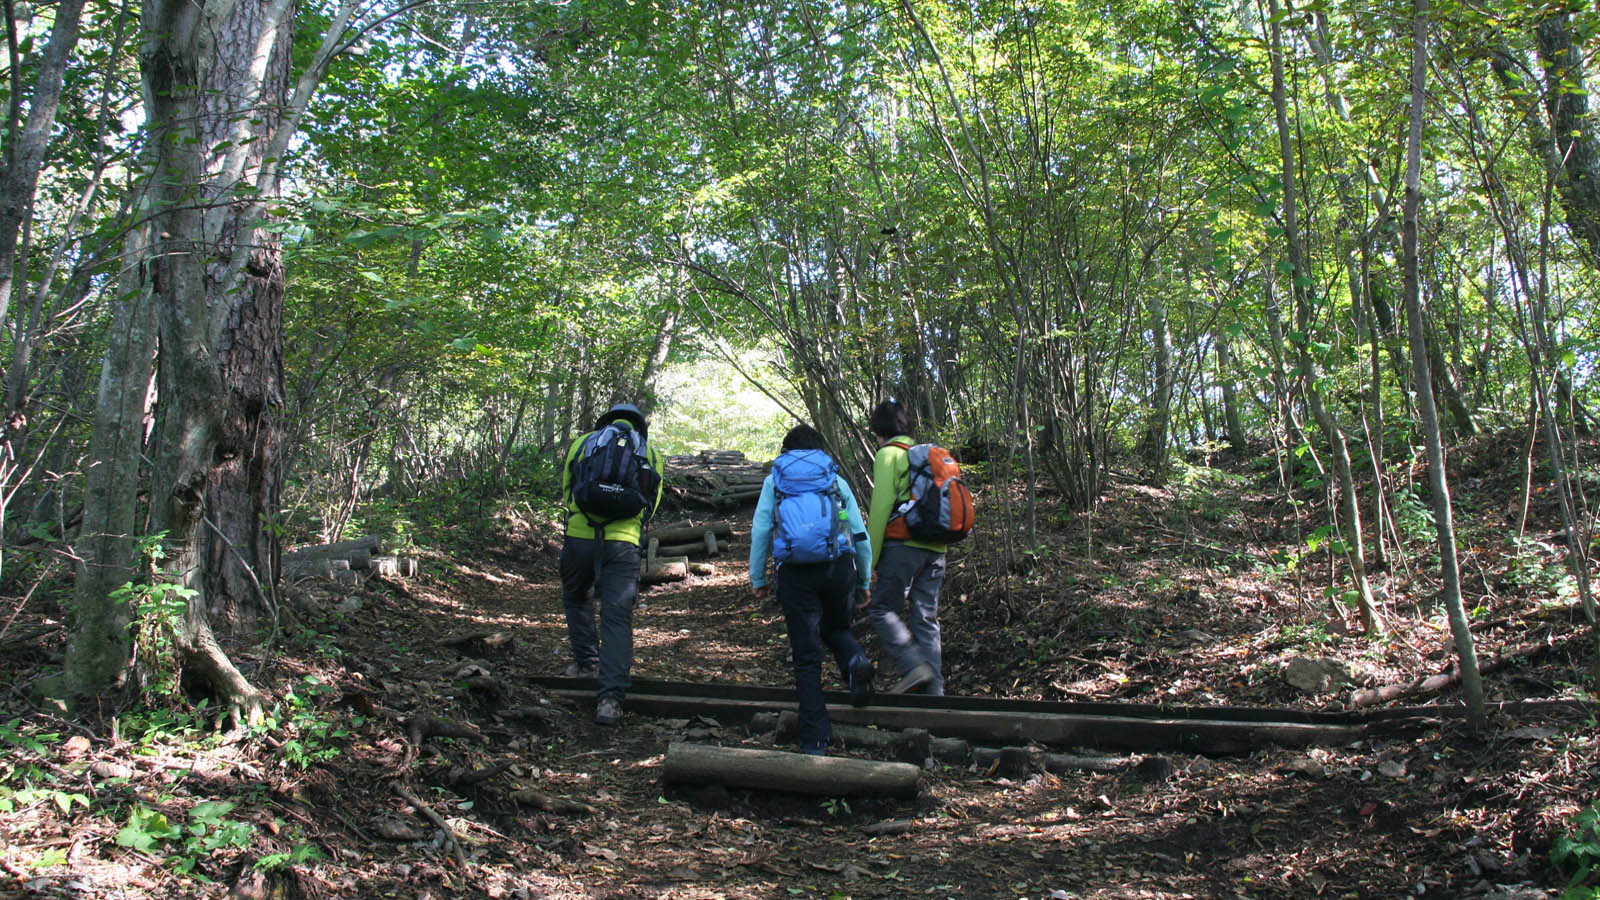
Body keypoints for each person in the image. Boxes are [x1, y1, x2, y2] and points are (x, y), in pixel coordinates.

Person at [749, 424, 875, 756]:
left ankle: (815, 739)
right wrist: (863, 580)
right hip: (838, 568)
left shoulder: (775, 481)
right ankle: (855, 660)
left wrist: (757, 579)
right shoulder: (834, 480)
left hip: (795, 573)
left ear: (785, 453)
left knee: (806, 657)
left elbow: (762, 529)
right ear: (819, 450)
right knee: (836, 627)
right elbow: (859, 533)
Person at [559, 402, 664, 726]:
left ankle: (586, 663)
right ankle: (610, 700)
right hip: (623, 543)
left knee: (577, 598)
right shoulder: (650, 452)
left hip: (580, 537)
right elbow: (652, 504)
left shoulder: (582, 444)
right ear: (638, 426)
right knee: (617, 618)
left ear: (604, 422)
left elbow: (568, 492)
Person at [863, 399, 947, 695]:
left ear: (879, 430)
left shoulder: (888, 455)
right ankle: (934, 693)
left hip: (903, 545)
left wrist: (868, 563)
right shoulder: (924, 454)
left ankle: (914, 667)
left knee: (882, 608)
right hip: (937, 547)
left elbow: (881, 510)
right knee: (925, 617)